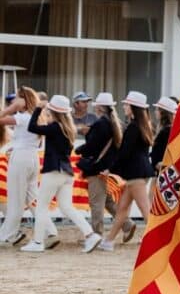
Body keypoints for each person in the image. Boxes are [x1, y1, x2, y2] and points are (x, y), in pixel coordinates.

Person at [21, 95, 102, 253]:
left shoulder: (55, 127)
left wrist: (38, 108)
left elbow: (32, 128)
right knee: (67, 207)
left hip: (53, 171)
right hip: (66, 172)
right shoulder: (68, 128)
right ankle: (91, 235)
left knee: (41, 207)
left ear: (54, 111)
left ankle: (38, 242)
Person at [101, 91, 155, 251]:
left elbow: (124, 152)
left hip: (136, 174)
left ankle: (156, 240)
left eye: (126, 105)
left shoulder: (133, 127)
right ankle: (109, 241)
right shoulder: (143, 125)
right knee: (123, 209)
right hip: (139, 173)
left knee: (145, 210)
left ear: (133, 108)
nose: (124, 107)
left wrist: (110, 169)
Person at [0, 88, 43, 247]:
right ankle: (49, 231)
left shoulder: (24, 116)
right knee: (33, 198)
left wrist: (10, 108)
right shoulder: (34, 116)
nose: (14, 101)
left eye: (18, 98)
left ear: (24, 100)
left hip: (21, 158)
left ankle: (8, 236)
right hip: (31, 156)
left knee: (15, 200)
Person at [75, 92, 122, 235]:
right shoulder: (112, 123)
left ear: (100, 108)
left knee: (96, 203)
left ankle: (97, 233)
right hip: (104, 166)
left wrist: (79, 149)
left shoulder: (101, 123)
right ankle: (127, 224)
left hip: (96, 168)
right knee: (107, 200)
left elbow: (92, 146)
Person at [151, 96, 178, 171]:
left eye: (157, 109)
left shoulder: (166, 131)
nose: (155, 112)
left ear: (163, 113)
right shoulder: (169, 130)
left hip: (163, 172)